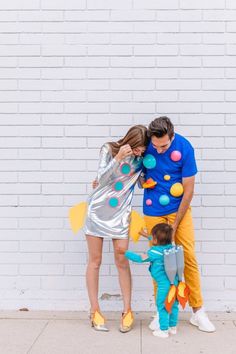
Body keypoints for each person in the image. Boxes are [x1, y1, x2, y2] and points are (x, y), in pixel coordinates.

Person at [142, 116, 215, 333]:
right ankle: (161, 311)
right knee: (158, 261)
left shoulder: (184, 147)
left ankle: (197, 311)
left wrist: (175, 223)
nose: (160, 150)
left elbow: (189, 190)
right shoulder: (146, 144)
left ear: (172, 136)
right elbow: (126, 165)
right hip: (152, 210)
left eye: (164, 145)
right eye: (156, 146)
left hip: (179, 209)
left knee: (188, 256)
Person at [84, 125, 148, 332]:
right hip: (97, 212)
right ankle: (95, 311)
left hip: (121, 215)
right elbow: (101, 179)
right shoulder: (109, 149)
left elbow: (140, 184)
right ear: (129, 141)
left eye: (143, 150)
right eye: (138, 148)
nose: (139, 153)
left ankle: (127, 310)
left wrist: (147, 174)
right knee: (95, 261)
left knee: (122, 260)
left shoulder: (141, 160)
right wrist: (118, 158)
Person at [120, 223, 179, 338]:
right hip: (175, 282)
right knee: (173, 304)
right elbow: (157, 239)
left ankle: (163, 330)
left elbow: (138, 258)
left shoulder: (154, 253)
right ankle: (173, 327)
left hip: (163, 285)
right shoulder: (171, 247)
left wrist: (125, 252)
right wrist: (145, 235)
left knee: (162, 305)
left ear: (156, 240)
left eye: (153, 237)